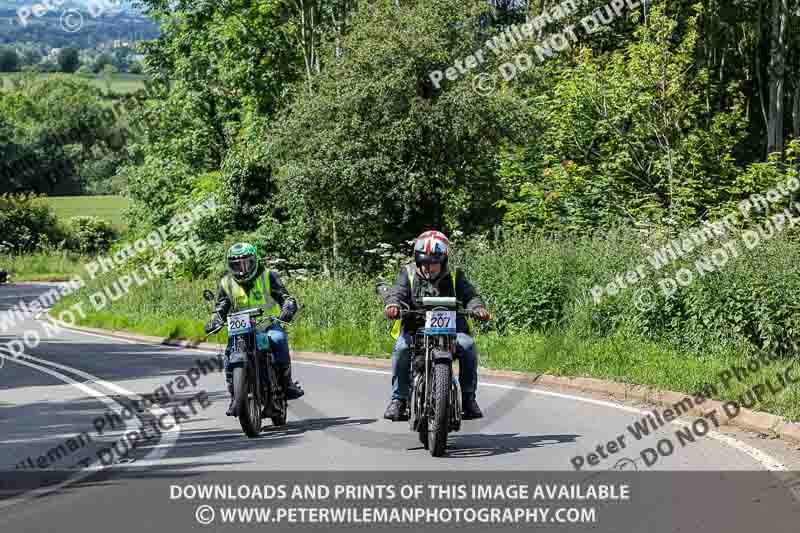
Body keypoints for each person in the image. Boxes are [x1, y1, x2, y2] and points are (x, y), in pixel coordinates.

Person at [382, 230, 490, 422]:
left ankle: (468, 399)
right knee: (401, 348)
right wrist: (393, 305)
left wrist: (478, 307)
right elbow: (397, 292)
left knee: (468, 346)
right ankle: (398, 400)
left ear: (444, 261)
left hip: (453, 332)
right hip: (415, 330)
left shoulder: (456, 276)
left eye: (434, 264)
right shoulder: (408, 273)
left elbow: (470, 296)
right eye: (423, 263)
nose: (428, 268)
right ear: (417, 260)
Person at [205, 243, 304, 416]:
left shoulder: (268, 276)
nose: (241, 269)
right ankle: (235, 395)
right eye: (236, 265)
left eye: (246, 263)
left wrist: (288, 307)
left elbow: (285, 296)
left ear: (255, 261)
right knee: (229, 353)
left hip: (267, 324)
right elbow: (221, 306)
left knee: (279, 339)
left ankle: (286, 384)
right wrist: (215, 319)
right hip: (240, 328)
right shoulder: (226, 282)